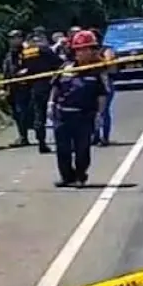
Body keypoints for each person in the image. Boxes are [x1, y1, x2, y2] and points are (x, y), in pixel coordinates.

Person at [47, 29, 108, 187]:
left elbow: (102, 95)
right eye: (81, 49)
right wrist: (51, 104)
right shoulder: (65, 67)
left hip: (84, 116)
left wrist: (99, 115)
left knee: (82, 148)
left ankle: (81, 176)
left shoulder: (97, 71)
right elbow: (55, 86)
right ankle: (67, 176)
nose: (84, 53)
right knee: (63, 149)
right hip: (63, 114)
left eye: (88, 49)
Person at [23, 28, 62, 153]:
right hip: (50, 84)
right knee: (56, 114)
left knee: (39, 116)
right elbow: (58, 63)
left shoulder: (27, 51)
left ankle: (41, 142)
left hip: (34, 86)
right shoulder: (45, 49)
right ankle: (61, 142)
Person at [2, 29, 33, 146]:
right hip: (12, 87)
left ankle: (24, 136)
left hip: (24, 86)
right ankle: (22, 135)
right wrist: (4, 87)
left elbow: (33, 66)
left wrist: (25, 72)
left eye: (16, 38)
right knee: (16, 113)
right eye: (11, 38)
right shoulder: (10, 54)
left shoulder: (27, 52)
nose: (13, 40)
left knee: (22, 112)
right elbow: (6, 71)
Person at [94, 45, 117, 146]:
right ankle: (95, 136)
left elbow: (110, 64)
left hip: (105, 83)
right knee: (92, 111)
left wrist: (98, 57)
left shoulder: (106, 50)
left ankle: (105, 137)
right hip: (91, 85)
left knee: (103, 111)